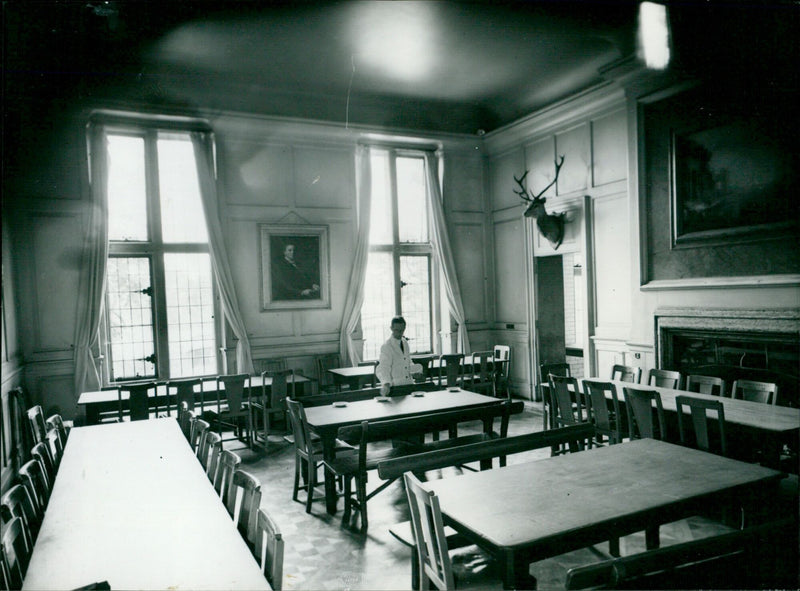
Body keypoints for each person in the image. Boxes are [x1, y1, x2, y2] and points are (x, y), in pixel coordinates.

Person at [376, 316, 423, 396]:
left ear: (404, 328)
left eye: (401, 330)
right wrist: (386, 384)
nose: (399, 333)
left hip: (409, 384)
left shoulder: (405, 343)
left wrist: (414, 372)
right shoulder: (387, 346)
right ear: (391, 328)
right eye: (396, 330)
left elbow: (407, 361)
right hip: (395, 387)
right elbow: (384, 367)